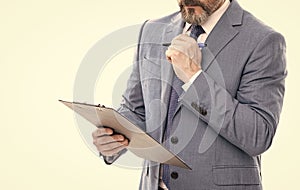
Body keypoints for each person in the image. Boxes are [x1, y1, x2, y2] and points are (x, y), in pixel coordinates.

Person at [92, 0, 287, 189]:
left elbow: (258, 135)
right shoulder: (152, 29)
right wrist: (112, 139)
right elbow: (135, 109)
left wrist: (193, 78)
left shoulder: (262, 40)